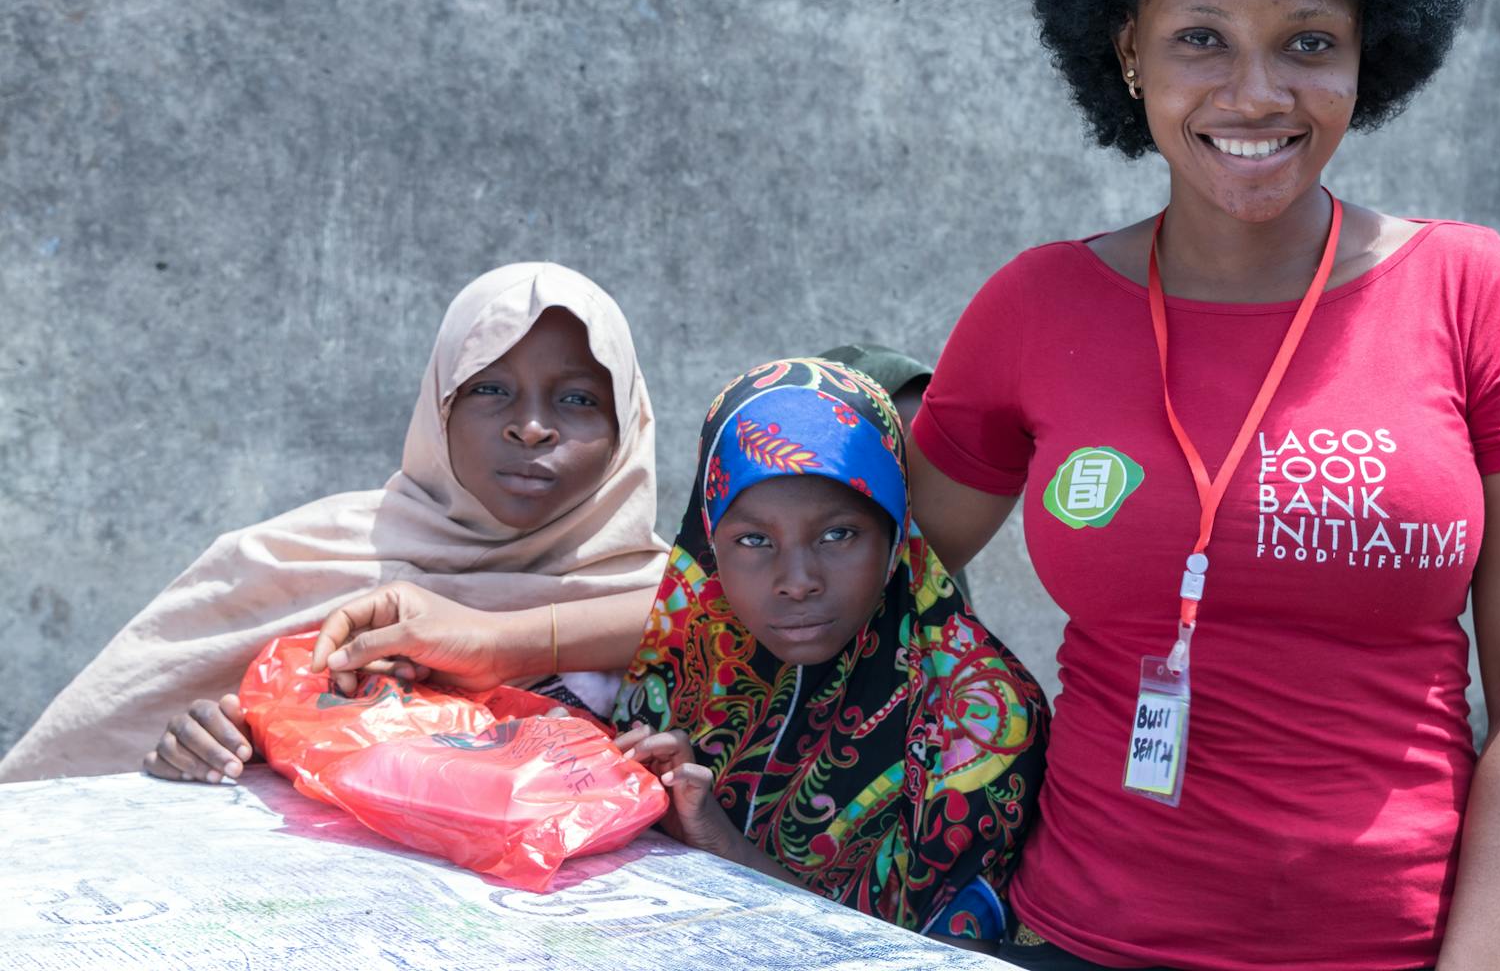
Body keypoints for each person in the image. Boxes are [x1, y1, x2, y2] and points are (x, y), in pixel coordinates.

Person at [903, 0, 1500, 971]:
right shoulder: (1037, 307)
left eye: (1308, 42)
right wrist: (526, 617)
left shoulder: (1470, 291)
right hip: (1082, 940)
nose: (1256, 94)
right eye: (1201, 37)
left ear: (1368, 50)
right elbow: (840, 563)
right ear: (1126, 48)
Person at [312, 358, 1049, 947]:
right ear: (709, 544)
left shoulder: (977, 720)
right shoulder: (696, 655)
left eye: (839, 535)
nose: (797, 581)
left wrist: (718, 843)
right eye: (753, 541)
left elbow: (931, 956)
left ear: (895, 532)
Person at [0, 263, 668, 783]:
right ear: (437, 411)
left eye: (579, 399)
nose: (530, 426)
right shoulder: (296, 562)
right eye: (488, 389)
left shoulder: (677, 598)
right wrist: (202, 742)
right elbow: (110, 756)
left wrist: (501, 642)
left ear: (624, 428)